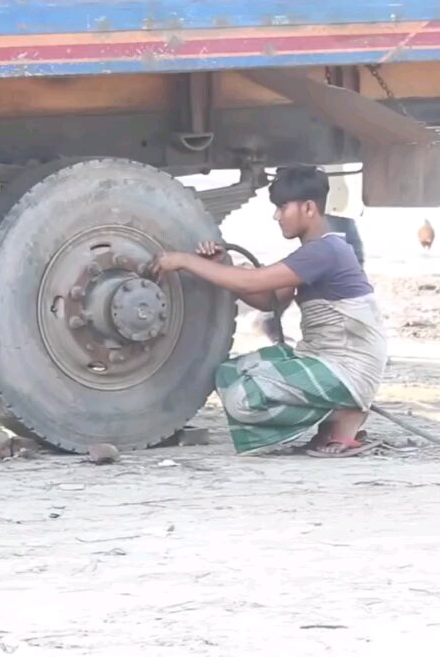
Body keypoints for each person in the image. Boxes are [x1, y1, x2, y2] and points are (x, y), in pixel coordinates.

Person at [154, 166, 388, 457]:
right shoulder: (313, 252)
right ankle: (335, 411)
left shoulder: (325, 252)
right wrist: (222, 265)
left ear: (309, 208)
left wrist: (185, 261)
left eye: (282, 207)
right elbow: (270, 301)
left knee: (242, 399)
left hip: (346, 368)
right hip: (321, 357)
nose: (277, 216)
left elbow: (251, 281)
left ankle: (341, 414)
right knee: (227, 373)